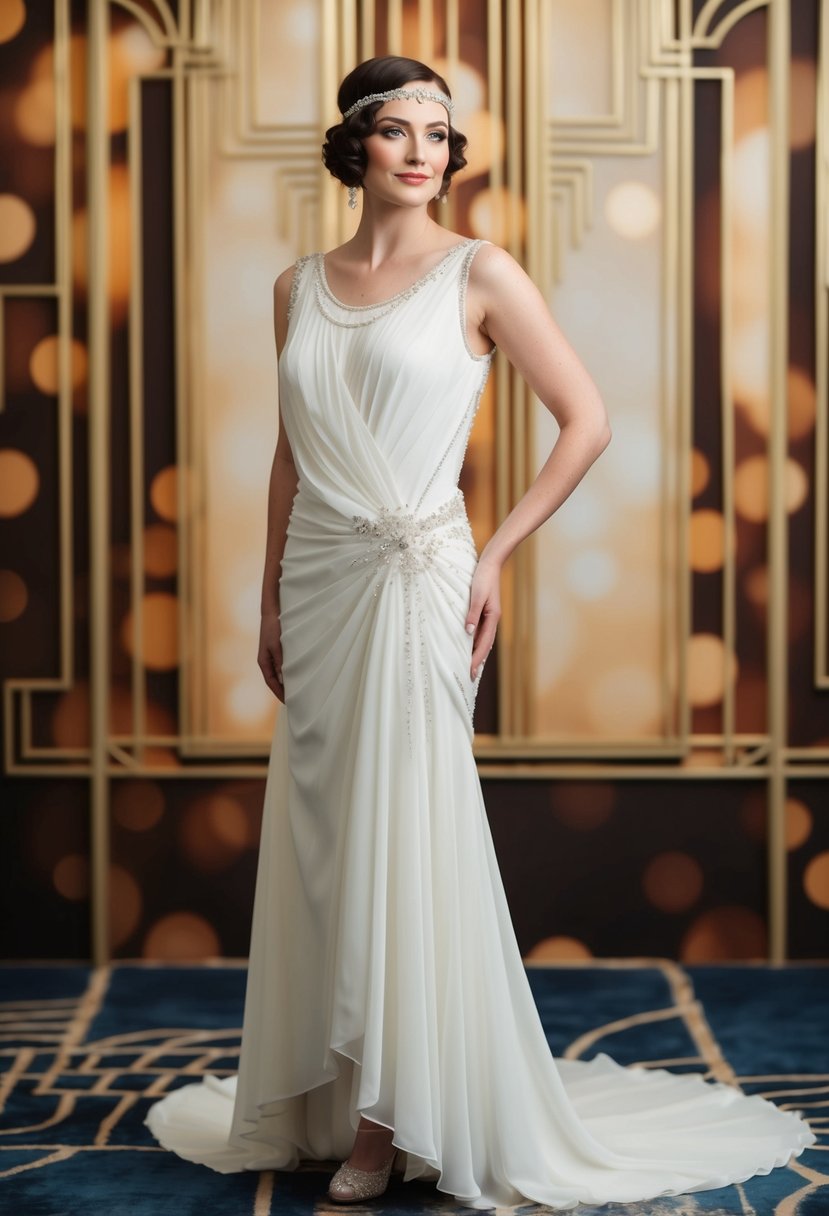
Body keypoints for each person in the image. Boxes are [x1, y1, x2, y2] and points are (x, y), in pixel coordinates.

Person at [144, 55, 815, 1208]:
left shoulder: (479, 273)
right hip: (316, 578)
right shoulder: (293, 287)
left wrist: (494, 553)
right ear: (355, 146)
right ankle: (322, 1088)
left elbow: (587, 419)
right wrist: (265, 595)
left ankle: (389, 1119)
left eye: (440, 134)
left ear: (453, 155)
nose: (422, 150)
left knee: (407, 830)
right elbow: (293, 451)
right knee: (323, 838)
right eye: (398, 130)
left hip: (421, 580)